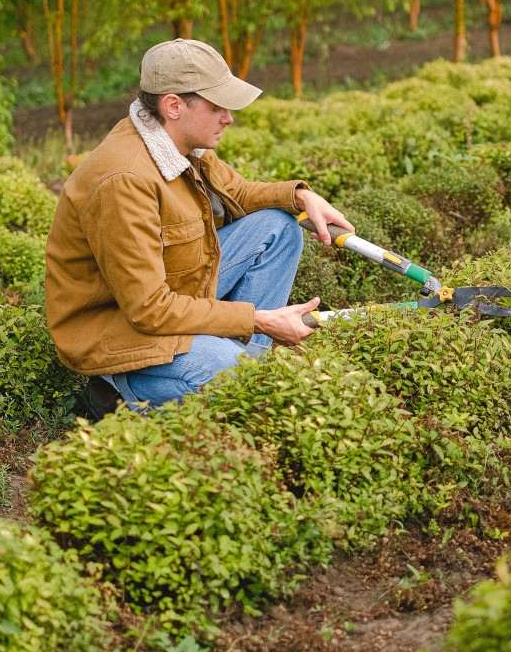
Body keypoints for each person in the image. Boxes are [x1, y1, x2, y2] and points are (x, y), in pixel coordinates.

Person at [45, 37, 354, 416]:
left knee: (279, 226)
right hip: (116, 326)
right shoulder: (124, 179)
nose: (229, 117)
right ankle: (114, 392)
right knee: (236, 373)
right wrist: (259, 320)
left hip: (170, 291)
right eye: (218, 106)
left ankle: (241, 365)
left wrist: (301, 197)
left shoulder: (182, 142)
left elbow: (237, 191)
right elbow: (148, 310)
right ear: (174, 105)